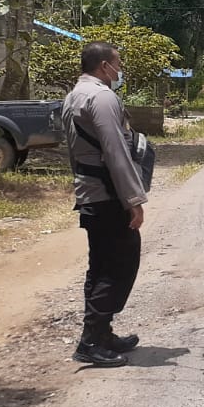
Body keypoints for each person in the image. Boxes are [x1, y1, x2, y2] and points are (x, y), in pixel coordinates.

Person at [63, 42, 148, 367]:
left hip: (90, 192)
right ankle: (91, 341)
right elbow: (116, 152)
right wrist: (134, 200)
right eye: (117, 64)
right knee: (119, 265)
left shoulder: (75, 95)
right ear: (103, 66)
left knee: (100, 266)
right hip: (108, 194)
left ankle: (102, 333)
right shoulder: (102, 97)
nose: (119, 70)